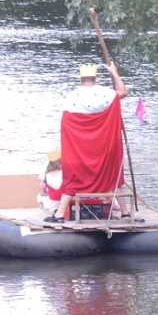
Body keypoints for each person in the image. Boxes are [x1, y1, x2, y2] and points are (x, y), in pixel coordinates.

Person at [50, 61, 129, 221]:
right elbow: (123, 91)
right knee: (115, 174)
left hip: (79, 151)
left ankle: (59, 213)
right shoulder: (106, 94)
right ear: (95, 78)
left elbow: (68, 127)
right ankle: (125, 211)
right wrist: (114, 72)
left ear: (81, 79)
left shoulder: (71, 97)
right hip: (104, 150)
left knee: (72, 178)